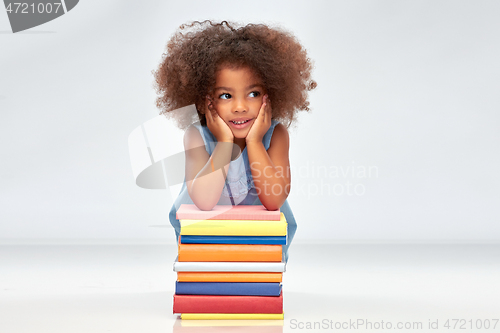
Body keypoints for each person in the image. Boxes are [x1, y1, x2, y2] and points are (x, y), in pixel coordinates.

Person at [153, 20, 316, 262]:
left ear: (271, 97)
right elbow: (205, 203)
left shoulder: (276, 135)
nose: (240, 107)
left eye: (253, 94)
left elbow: (273, 201)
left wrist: (255, 142)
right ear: (204, 102)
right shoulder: (197, 137)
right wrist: (225, 144)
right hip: (204, 242)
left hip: (262, 244)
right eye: (226, 96)